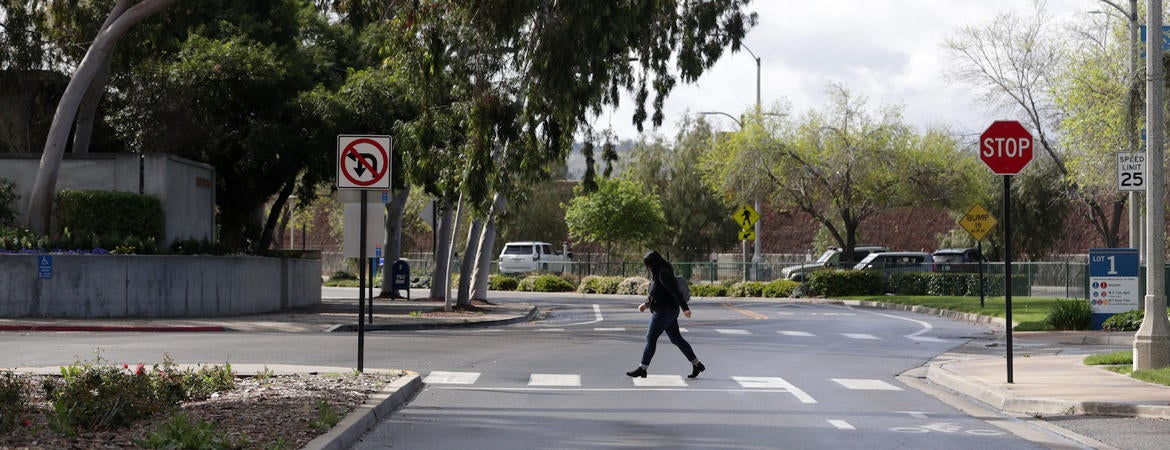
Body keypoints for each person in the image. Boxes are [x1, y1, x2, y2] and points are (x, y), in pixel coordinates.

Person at [627, 250, 706, 379]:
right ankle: (697, 364)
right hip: (667, 310)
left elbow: (675, 291)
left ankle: (643, 368)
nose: (647, 267)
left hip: (665, 311)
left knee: (651, 338)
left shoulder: (663, 272)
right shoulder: (658, 272)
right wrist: (646, 304)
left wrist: (685, 308)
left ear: (653, 263)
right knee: (676, 339)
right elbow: (658, 292)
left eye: (648, 264)